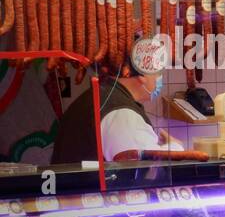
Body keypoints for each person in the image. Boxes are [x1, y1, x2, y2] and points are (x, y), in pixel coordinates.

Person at [51, 64, 206, 165]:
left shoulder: (103, 96)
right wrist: (176, 147)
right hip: (93, 207)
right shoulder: (121, 112)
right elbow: (142, 168)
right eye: (157, 72)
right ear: (142, 74)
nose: (160, 78)